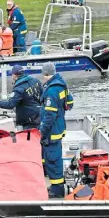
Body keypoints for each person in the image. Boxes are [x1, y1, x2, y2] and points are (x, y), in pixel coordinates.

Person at [38, 63, 74, 198]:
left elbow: (49, 116)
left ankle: (57, 190)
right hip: (59, 127)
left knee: (53, 160)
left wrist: (42, 132)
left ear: (45, 74)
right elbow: (70, 104)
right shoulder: (62, 85)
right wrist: (60, 110)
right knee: (54, 157)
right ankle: (55, 185)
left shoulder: (51, 90)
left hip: (51, 131)